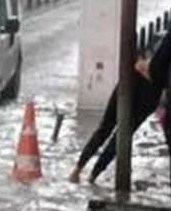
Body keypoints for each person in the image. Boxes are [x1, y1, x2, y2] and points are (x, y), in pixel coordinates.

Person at [70, 33, 171, 184]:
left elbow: (154, 67)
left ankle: (78, 171)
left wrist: (143, 66)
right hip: (150, 91)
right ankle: (91, 176)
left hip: (138, 81)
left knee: (108, 127)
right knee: (122, 133)